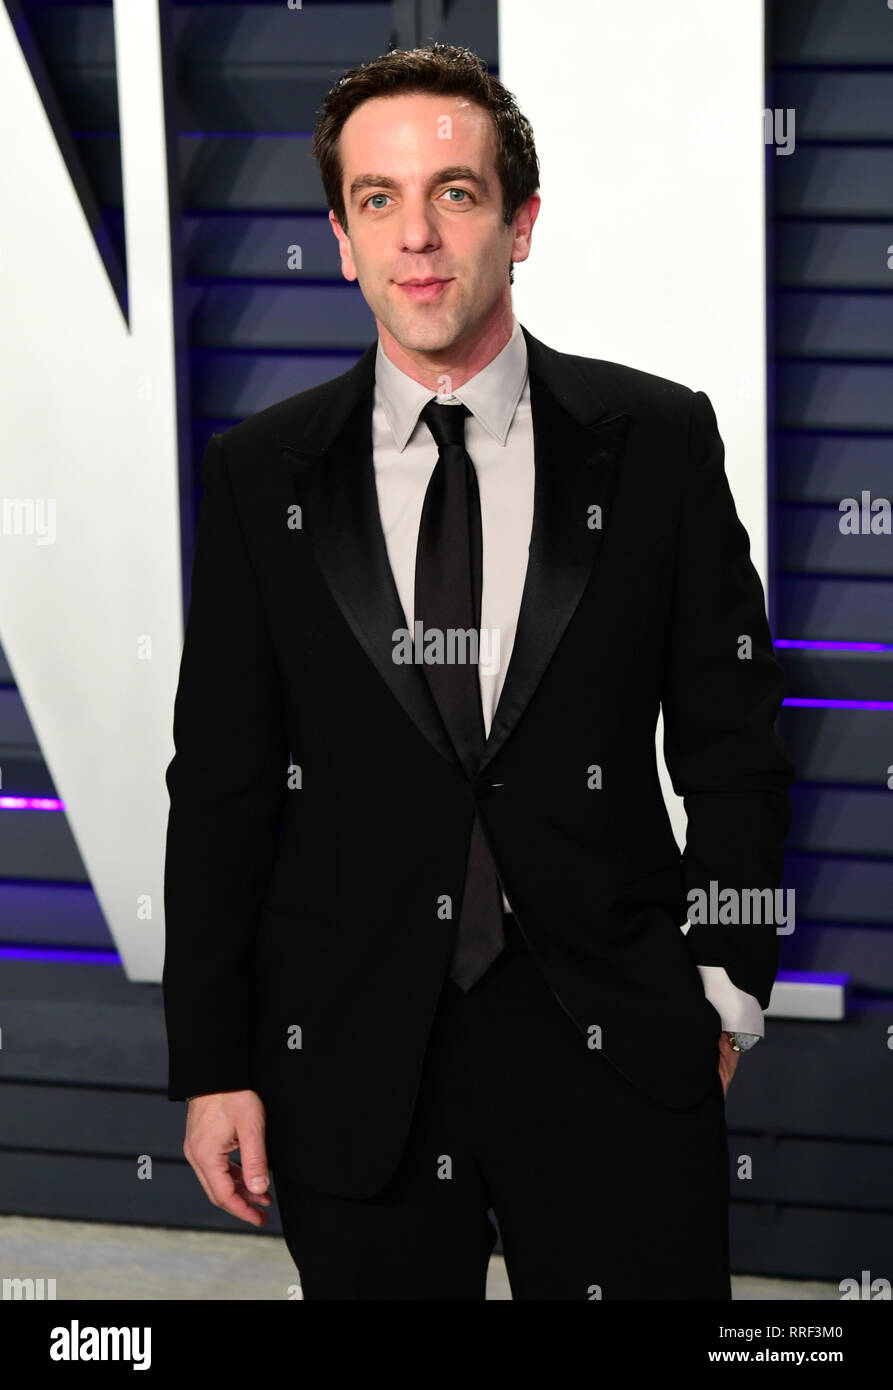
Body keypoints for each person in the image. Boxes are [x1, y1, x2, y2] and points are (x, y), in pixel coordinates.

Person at [163, 42, 794, 1300]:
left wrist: (725, 986)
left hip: (611, 1039)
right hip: (348, 1051)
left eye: (453, 193)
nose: (417, 238)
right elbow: (224, 784)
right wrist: (213, 1060)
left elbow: (732, 738)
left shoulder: (657, 441)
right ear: (339, 238)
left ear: (519, 224)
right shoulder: (260, 476)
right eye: (376, 201)